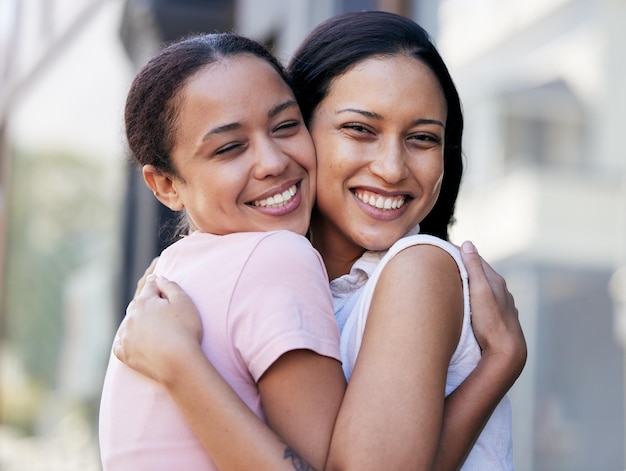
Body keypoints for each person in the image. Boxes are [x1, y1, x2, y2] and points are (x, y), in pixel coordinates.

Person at [113, 11, 527, 471]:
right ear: (308, 127)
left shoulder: (419, 267)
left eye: (423, 138)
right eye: (360, 129)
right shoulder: (261, 280)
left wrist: (498, 367)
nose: (392, 168)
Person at [99, 33, 347, 470]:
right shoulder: (277, 257)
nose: (272, 161)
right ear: (166, 185)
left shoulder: (171, 278)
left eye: (286, 126)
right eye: (230, 147)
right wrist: (493, 370)